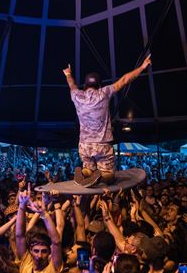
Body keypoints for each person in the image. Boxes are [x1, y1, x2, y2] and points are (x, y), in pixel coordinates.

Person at [63, 54, 152, 185]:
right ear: (99, 85)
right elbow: (124, 80)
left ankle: (84, 172)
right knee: (109, 176)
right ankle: (101, 176)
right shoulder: (104, 93)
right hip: (102, 143)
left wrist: (68, 74)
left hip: (84, 144)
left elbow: (72, 85)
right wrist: (143, 66)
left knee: (88, 168)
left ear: (85, 85)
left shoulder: (77, 95)